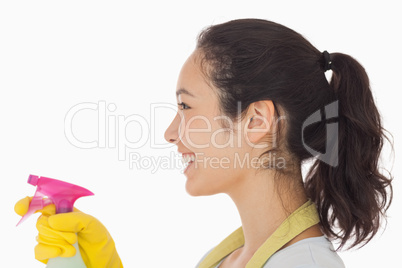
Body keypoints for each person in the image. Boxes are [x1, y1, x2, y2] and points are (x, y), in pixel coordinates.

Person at [15, 18, 393, 268]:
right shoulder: (231, 257)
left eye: (185, 106)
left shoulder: (303, 265)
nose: (170, 133)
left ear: (257, 121)